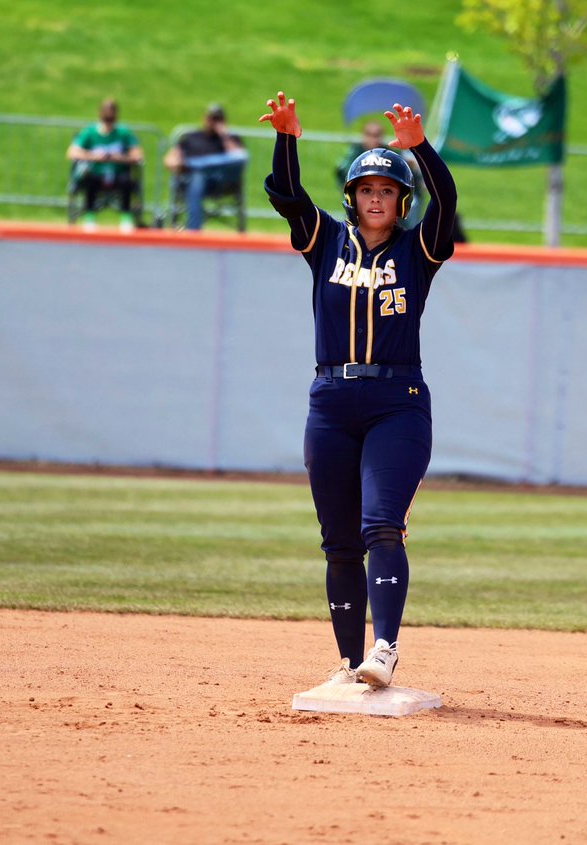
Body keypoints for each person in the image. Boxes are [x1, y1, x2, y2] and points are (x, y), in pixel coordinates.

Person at [258, 90, 458, 690]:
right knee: (340, 542)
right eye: (368, 189)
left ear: (402, 201)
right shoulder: (326, 241)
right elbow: (287, 197)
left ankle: (385, 649)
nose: (377, 198)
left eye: (388, 191)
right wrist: (287, 137)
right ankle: (349, 666)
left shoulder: (419, 248)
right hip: (331, 402)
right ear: (353, 198)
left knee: (381, 527)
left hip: (398, 403)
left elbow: (447, 198)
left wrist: (418, 148)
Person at [164, 104, 248, 231]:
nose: (213, 122)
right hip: (193, 179)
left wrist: (224, 135)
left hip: (221, 180)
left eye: (217, 119)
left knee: (234, 159)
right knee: (197, 176)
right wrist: (179, 165)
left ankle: (198, 164)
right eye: (211, 118)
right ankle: (194, 231)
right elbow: (169, 160)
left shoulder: (230, 138)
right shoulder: (191, 137)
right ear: (204, 118)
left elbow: (240, 157)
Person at [67, 99, 144, 233]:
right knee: (89, 180)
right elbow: (72, 152)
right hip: (96, 172)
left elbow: (138, 155)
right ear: (100, 113)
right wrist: (94, 156)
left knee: (127, 181)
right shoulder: (90, 132)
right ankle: (89, 216)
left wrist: (119, 158)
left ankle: (126, 217)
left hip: (118, 173)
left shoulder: (123, 133)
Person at [336, 120, 427, 220]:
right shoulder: (354, 156)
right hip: (360, 211)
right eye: (369, 135)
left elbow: (411, 176)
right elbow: (342, 173)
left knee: (414, 204)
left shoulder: (391, 155)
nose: (372, 139)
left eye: (376, 135)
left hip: (393, 210)